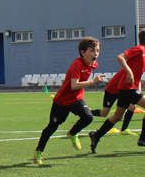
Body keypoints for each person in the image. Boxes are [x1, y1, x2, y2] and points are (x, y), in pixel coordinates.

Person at [88, 28, 145, 153]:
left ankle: (96, 135)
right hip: (128, 88)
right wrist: (129, 71)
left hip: (126, 88)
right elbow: (120, 57)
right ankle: (144, 138)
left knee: (117, 116)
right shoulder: (140, 49)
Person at [33, 37, 104, 165]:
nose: (96, 54)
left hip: (76, 99)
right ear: (83, 52)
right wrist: (93, 82)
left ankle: (72, 133)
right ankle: (38, 152)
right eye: (92, 51)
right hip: (62, 100)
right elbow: (74, 85)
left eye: (98, 51)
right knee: (52, 127)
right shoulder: (77, 64)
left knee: (88, 117)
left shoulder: (93, 64)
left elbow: (77, 88)